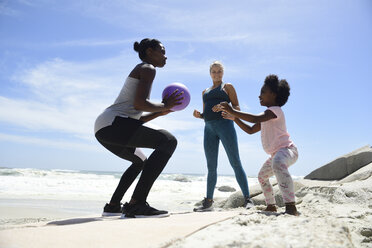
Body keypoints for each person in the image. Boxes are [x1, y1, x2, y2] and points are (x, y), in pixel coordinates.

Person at [94, 38, 183, 218]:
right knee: (168, 141)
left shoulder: (142, 69)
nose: (166, 57)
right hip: (113, 124)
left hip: (105, 127)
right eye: (163, 51)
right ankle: (137, 204)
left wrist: (158, 113)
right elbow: (140, 103)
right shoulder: (147, 68)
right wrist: (165, 105)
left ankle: (112, 206)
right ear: (150, 51)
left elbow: (134, 116)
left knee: (139, 162)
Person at [217, 74, 299, 216]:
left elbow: (255, 118)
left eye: (262, 92)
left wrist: (233, 111)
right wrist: (234, 118)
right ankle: (271, 205)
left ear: (273, 95)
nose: (259, 96)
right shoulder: (266, 115)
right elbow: (250, 130)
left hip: (288, 150)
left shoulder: (275, 111)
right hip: (276, 154)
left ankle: (291, 205)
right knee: (262, 176)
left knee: (278, 163)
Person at [193, 61, 254, 212]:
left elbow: (237, 108)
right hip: (208, 129)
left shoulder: (228, 87)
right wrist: (199, 115)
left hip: (225, 126)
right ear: (210, 73)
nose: (216, 74)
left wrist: (225, 107)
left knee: (235, 162)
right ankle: (208, 202)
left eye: (219, 71)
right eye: (213, 72)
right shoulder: (204, 92)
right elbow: (206, 114)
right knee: (211, 167)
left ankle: (248, 199)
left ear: (223, 73)